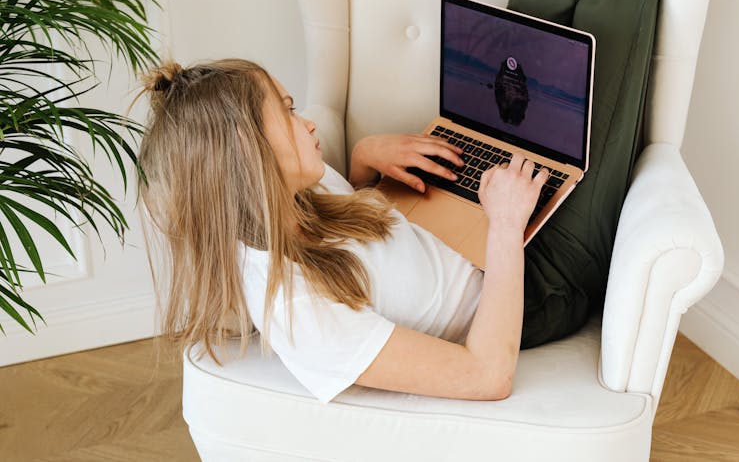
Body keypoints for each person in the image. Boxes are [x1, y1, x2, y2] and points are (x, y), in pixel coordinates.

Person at [136, 58, 548, 404]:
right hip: (527, 296)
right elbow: (487, 375)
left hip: (480, 238)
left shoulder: (292, 190)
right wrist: (507, 226)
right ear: (248, 148)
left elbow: (366, 259)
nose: (310, 125)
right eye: (289, 111)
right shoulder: (298, 310)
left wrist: (364, 161)